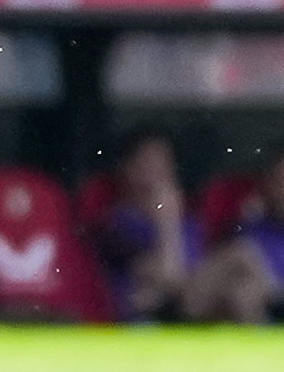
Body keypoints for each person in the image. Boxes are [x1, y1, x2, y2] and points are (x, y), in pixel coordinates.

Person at [95, 133, 276, 327]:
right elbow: (169, 280)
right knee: (240, 253)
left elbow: (199, 272)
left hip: (194, 305)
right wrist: (167, 222)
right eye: (147, 164)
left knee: (245, 291)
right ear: (127, 169)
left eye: (162, 164)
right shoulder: (117, 226)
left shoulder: (190, 224)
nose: (156, 174)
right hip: (157, 312)